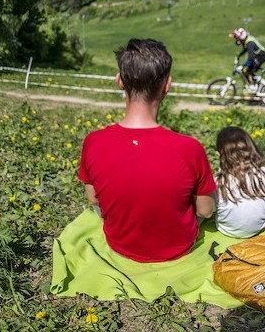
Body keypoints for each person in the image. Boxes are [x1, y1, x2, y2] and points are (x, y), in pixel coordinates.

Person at [78, 38, 217, 262]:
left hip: (119, 246)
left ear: (119, 81)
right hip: (179, 248)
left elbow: (93, 199)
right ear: (167, 85)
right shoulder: (190, 148)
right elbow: (205, 211)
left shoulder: (93, 141)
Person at [214, 126, 265, 238]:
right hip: (258, 228)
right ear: (251, 148)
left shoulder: (218, 181)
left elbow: (210, 210)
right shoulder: (264, 173)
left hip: (227, 230)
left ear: (219, 154)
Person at [229, 27, 265, 93]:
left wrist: (244, 65)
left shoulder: (250, 43)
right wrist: (239, 56)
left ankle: (253, 86)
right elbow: (245, 50)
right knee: (246, 70)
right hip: (257, 56)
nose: (236, 39)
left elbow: (251, 57)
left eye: (236, 37)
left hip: (260, 57)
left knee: (247, 70)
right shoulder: (246, 41)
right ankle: (254, 84)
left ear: (241, 36)